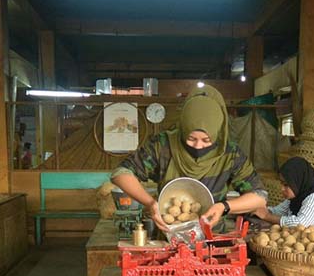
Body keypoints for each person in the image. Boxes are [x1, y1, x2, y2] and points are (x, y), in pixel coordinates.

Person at [111, 85, 267, 231]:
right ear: (183, 127)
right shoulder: (163, 146)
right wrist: (150, 203)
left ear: (217, 132)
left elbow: (260, 196)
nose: (198, 146)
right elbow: (121, 173)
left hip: (212, 238)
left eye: (207, 140)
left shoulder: (230, 154)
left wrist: (223, 207)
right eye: (191, 138)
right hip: (169, 235)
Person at [254, 157, 314, 227]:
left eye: (286, 185)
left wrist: (267, 216)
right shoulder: (295, 199)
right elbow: (276, 211)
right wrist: (255, 209)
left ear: (298, 181)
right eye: (281, 183)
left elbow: (300, 224)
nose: (282, 189)